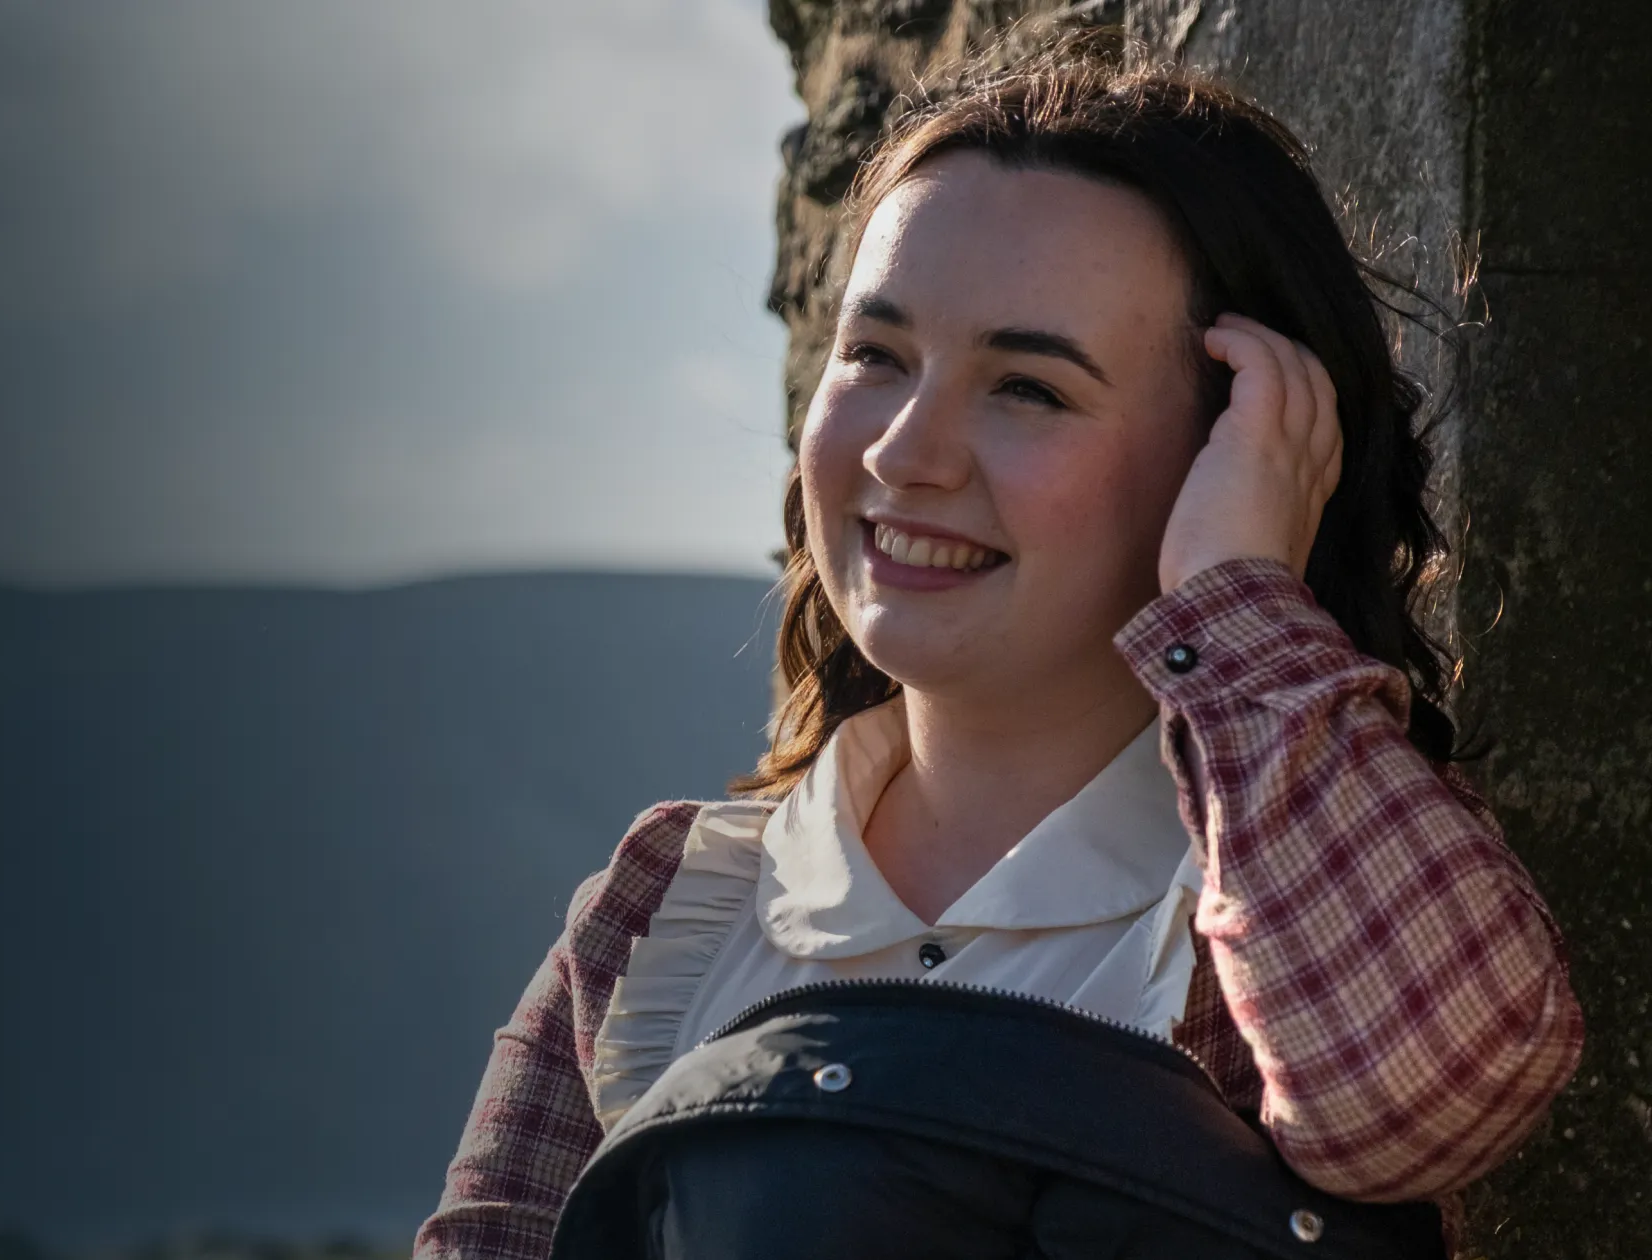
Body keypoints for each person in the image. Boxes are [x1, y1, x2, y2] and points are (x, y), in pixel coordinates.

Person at [415, 37, 1584, 1260]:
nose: (906, 453)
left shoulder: (1293, 890)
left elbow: (1427, 1106)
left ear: (1229, 451)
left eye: (1027, 387)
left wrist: (1239, 598)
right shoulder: (669, 910)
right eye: (876, 356)